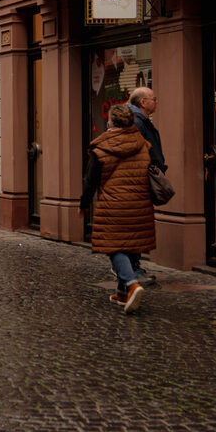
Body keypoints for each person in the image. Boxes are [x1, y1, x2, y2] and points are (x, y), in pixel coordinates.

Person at [79, 103, 153, 315]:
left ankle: (131, 284)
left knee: (114, 246)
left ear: (111, 121)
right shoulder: (143, 144)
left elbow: (91, 179)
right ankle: (122, 292)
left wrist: (84, 203)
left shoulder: (102, 146)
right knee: (130, 242)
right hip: (140, 202)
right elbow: (156, 166)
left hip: (113, 203)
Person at [128, 87, 164, 286]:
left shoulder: (139, 121)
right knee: (136, 225)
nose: (156, 101)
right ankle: (131, 269)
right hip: (138, 183)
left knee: (137, 225)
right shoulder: (136, 122)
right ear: (143, 102)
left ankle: (131, 267)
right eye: (154, 98)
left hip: (138, 182)